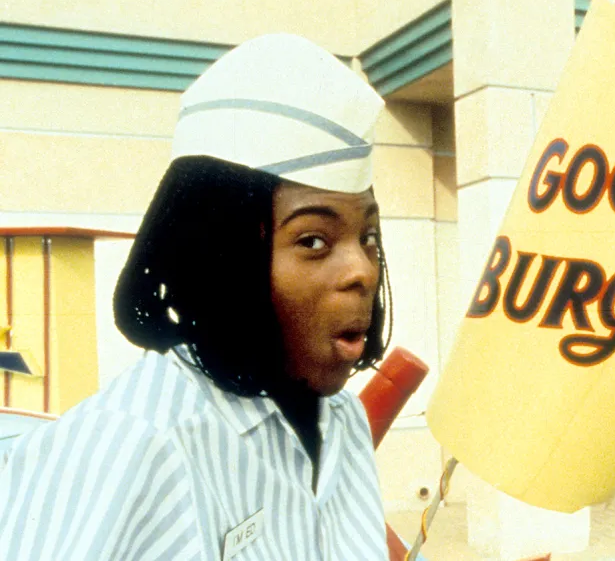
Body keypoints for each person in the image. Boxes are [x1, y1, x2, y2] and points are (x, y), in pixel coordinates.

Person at [0, 34, 393, 559]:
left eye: (366, 237)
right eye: (314, 241)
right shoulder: (132, 441)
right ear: (222, 259)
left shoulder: (341, 420)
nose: (362, 271)